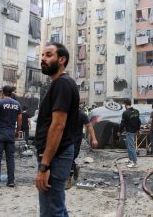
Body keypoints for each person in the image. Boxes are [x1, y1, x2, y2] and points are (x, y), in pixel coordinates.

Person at [34, 42, 79, 217]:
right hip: (56, 155)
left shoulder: (62, 84)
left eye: (49, 55)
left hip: (56, 157)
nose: (43, 59)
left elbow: (58, 125)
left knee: (51, 211)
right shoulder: (59, 84)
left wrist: (44, 166)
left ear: (62, 59)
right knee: (55, 207)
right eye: (43, 55)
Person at [0, 85, 22, 189]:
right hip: (10, 134)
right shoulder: (17, 104)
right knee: (10, 158)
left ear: (3, 92)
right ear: (11, 93)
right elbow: (19, 120)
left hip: (0, 134)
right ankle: (11, 181)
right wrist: (17, 131)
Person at [65, 106, 98, 189]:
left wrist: (94, 139)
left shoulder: (82, 115)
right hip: (65, 140)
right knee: (67, 159)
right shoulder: (65, 113)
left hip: (76, 141)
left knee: (71, 158)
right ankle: (74, 169)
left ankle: (68, 179)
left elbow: (89, 126)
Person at [117, 99, 141, 168]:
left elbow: (122, 123)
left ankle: (135, 162)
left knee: (131, 147)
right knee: (128, 145)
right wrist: (138, 129)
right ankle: (130, 159)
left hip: (130, 132)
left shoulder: (125, 113)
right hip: (133, 131)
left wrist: (119, 131)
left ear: (125, 104)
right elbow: (138, 121)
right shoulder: (136, 111)